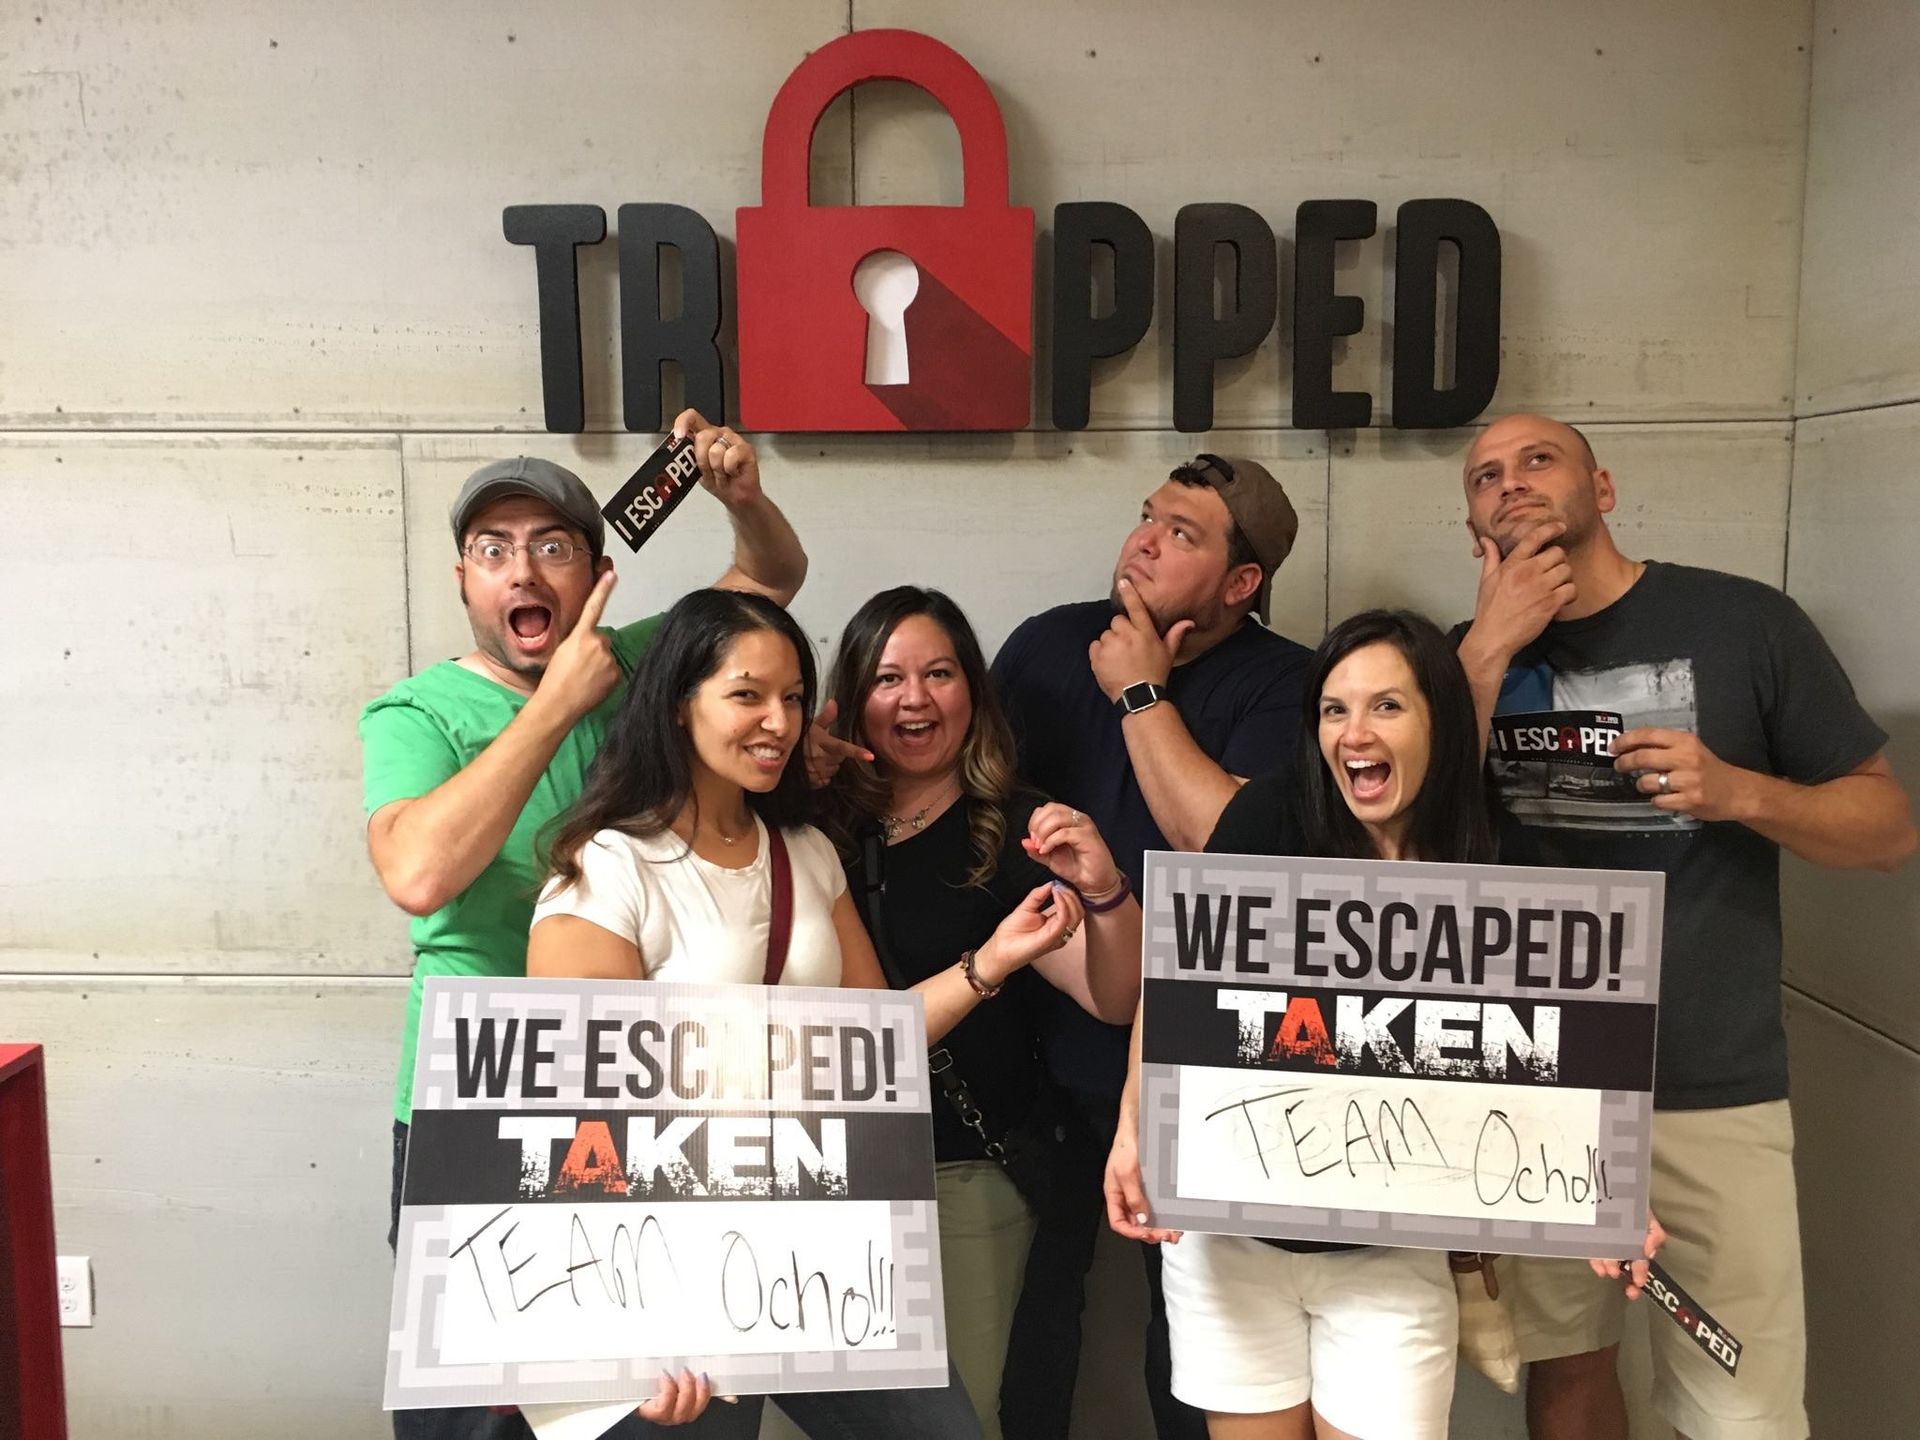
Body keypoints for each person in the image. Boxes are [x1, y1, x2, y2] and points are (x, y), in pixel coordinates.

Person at [1451, 414, 1916, 1440]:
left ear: (1603, 488)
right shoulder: (1456, 667)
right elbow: (1410, 856)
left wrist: (1744, 791)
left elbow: (1887, 830)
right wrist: (1485, 650)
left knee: (1738, 1403)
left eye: (1539, 461)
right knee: (1564, 1377)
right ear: (1472, 523)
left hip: (1711, 1085)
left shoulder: (1744, 622)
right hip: (1541, 1096)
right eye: (1486, 476)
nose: (1512, 484)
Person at [530, 586, 1081, 1436]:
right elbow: (574, 1126)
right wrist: (627, 1333)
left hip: (817, 1255)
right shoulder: (607, 869)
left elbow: (874, 1046)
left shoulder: (807, 851)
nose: (779, 722)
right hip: (664, 1273)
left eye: (792, 697)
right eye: (746, 694)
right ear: (679, 707)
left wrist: (992, 961)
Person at [359, 413, 808, 1440]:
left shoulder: (628, 664)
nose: (524, 569)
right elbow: (419, 872)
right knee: (477, 1413)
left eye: (553, 546)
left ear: (597, 570)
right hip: (471, 1113)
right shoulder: (416, 714)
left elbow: (770, 579)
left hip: (635, 1111)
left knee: (636, 1408)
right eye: (495, 549)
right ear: (465, 579)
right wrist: (555, 706)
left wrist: (740, 490)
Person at [1104, 609, 1657, 1440]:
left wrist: (1610, 1191)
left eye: (1387, 706)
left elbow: (1558, 1048)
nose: (1355, 731)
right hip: (1231, 1248)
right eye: (1334, 709)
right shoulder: (1267, 819)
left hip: (1389, 1258)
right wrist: (1131, 1128)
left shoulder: (1494, 856)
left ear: (1438, 715)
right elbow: (1180, 982)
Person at [990, 454, 1312, 1440]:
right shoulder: (1048, 644)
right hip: (1030, 1037)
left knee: (1193, 1326)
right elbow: (972, 796)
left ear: (1241, 582)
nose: (1143, 540)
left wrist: (1140, 695)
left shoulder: (1290, 683)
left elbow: (1230, 853)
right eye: (1146, 517)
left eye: (1183, 534)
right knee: (1032, 1303)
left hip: (1194, 1060)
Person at [818, 586, 1145, 1439]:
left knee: (957, 1418)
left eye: (939, 673)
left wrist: (1106, 891)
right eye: (889, 678)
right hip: (820, 1182)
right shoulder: (806, 821)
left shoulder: (1013, 825)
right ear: (852, 699)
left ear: (974, 690)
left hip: (963, 1172)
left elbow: (1113, 998)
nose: (916, 698)